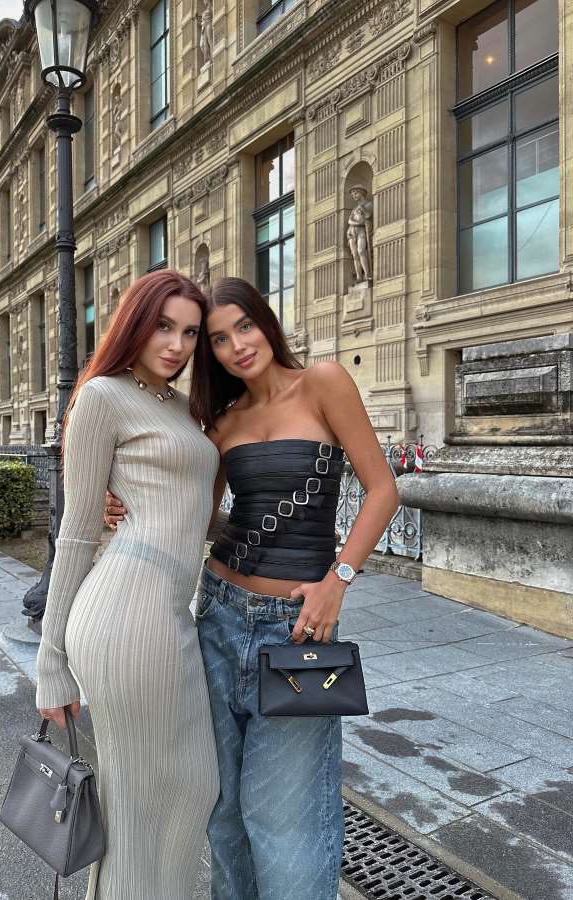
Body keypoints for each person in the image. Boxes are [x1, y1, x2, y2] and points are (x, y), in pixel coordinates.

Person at [106, 277, 399, 900]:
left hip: (296, 628)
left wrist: (338, 580)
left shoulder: (323, 383)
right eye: (218, 339)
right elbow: (199, 519)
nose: (237, 345)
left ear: (266, 323)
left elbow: (383, 490)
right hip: (217, 613)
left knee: (286, 816)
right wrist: (127, 503)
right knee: (224, 810)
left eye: (244, 326)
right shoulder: (221, 423)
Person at [35, 270, 222, 900]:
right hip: (124, 612)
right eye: (163, 326)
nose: (176, 344)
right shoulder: (102, 396)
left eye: (190, 332)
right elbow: (76, 533)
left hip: (170, 613)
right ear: (135, 323)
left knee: (193, 787)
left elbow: (186, 508)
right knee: (138, 803)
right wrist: (50, 661)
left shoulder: (179, 406)